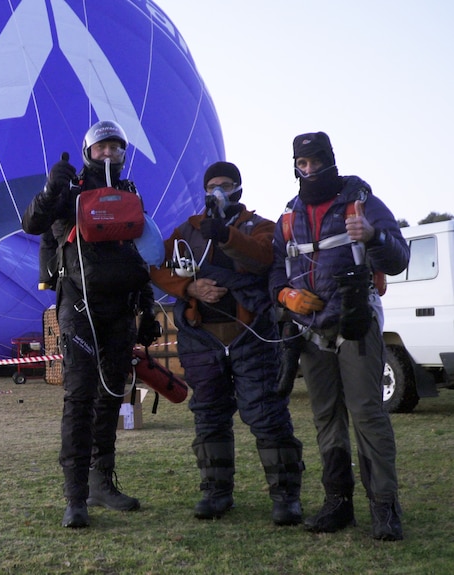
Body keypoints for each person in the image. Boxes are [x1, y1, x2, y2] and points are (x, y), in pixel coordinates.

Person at [270, 132, 409, 541]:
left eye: (314, 161)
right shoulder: (288, 217)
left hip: (356, 324)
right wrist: (285, 295)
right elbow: (277, 268)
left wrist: (373, 236)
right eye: (302, 164)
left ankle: (384, 507)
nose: (308, 170)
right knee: (326, 417)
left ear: (329, 160)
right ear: (295, 166)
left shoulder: (361, 203)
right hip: (311, 334)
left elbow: (399, 258)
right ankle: (338, 502)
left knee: (367, 414)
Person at [21, 120, 160, 528]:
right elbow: (31, 224)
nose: (109, 154)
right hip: (79, 313)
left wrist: (148, 309)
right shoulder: (68, 195)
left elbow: (142, 257)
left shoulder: (130, 195)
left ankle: (102, 483)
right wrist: (50, 191)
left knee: (110, 398)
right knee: (79, 400)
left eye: (115, 148)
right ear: (88, 152)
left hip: (121, 311)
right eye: (101, 148)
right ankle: (75, 497)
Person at [149, 161, 305, 526]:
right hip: (203, 338)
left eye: (226, 184)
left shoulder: (260, 227)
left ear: (238, 188)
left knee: (267, 414)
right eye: (212, 185)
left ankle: (286, 497)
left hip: (250, 336)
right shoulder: (187, 231)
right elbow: (156, 266)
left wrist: (226, 236)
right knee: (209, 416)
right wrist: (188, 287)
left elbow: (264, 258)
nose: (218, 190)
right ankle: (216, 493)